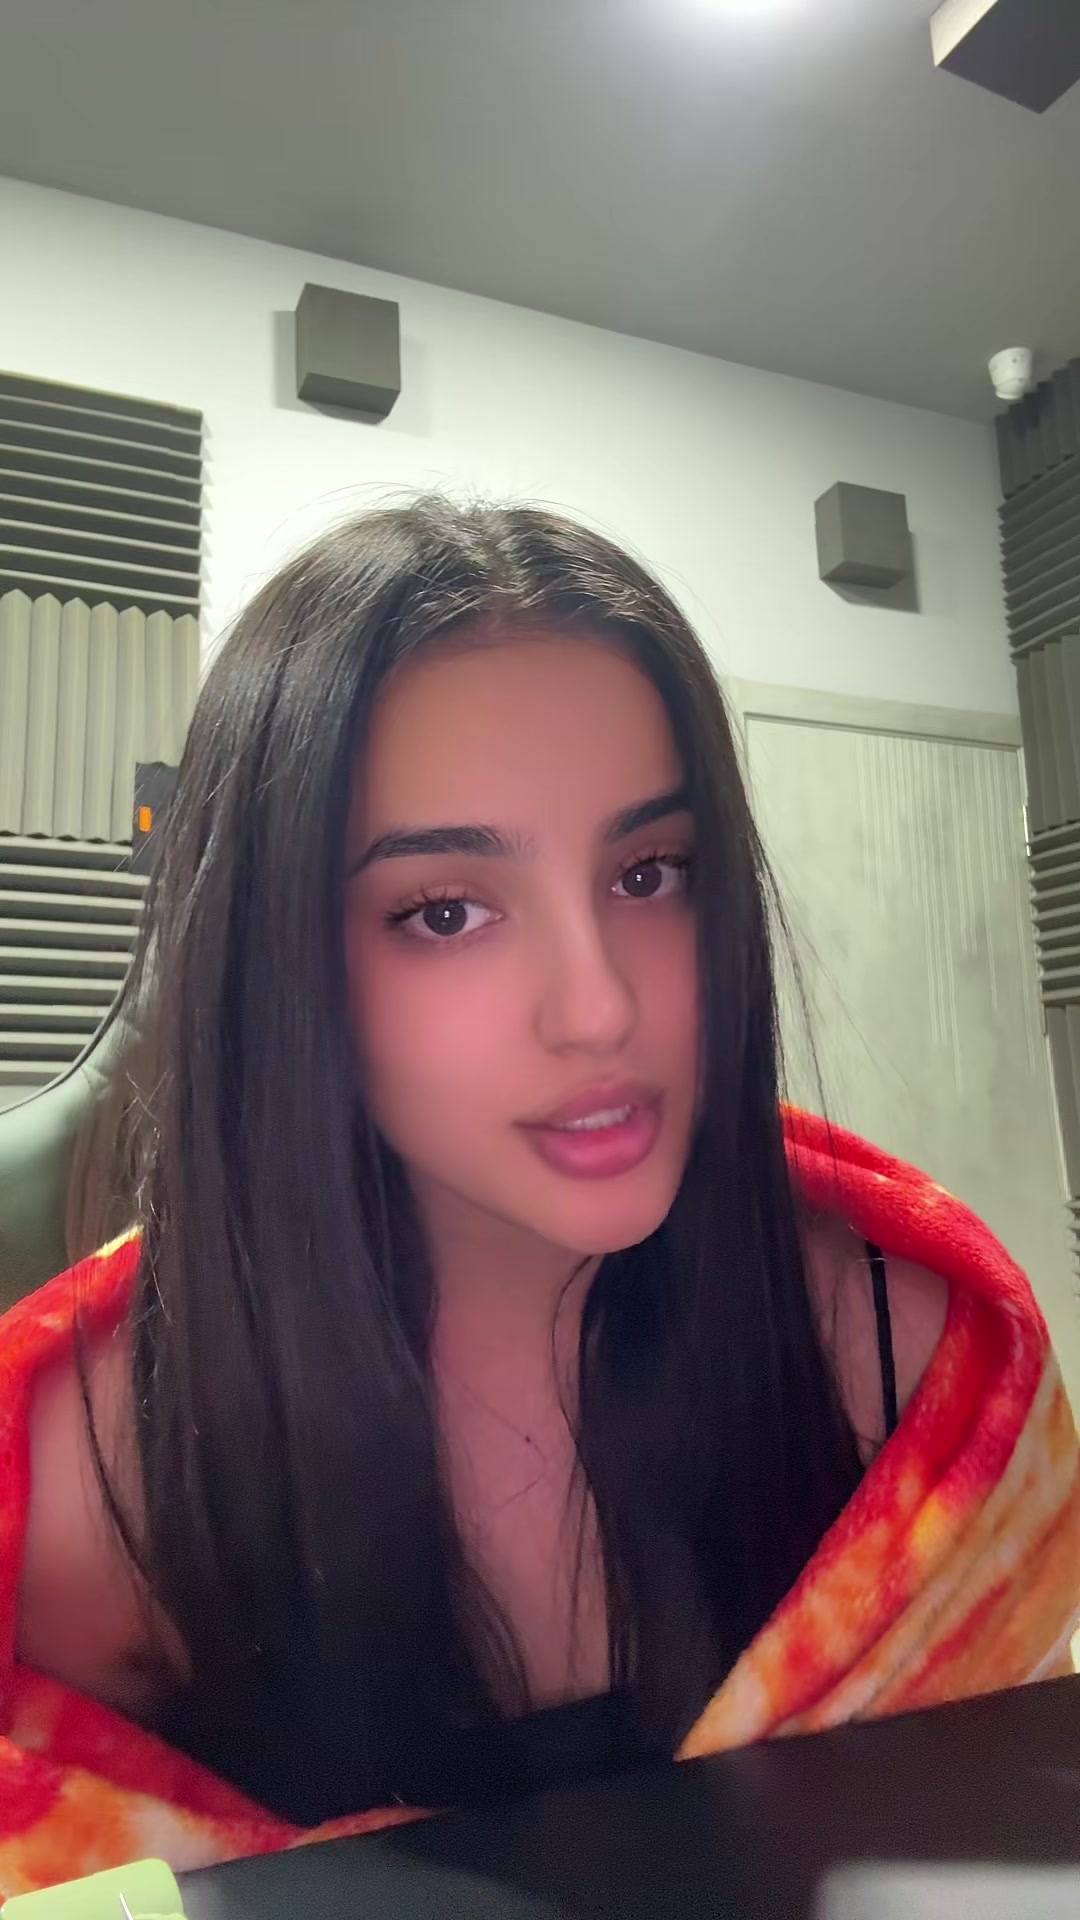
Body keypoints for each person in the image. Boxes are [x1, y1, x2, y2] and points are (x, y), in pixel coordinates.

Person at [2, 498, 1078, 1889]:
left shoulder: (906, 1360)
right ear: (277, 965)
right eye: (446, 911)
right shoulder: (87, 1495)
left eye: (649, 873)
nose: (599, 1006)